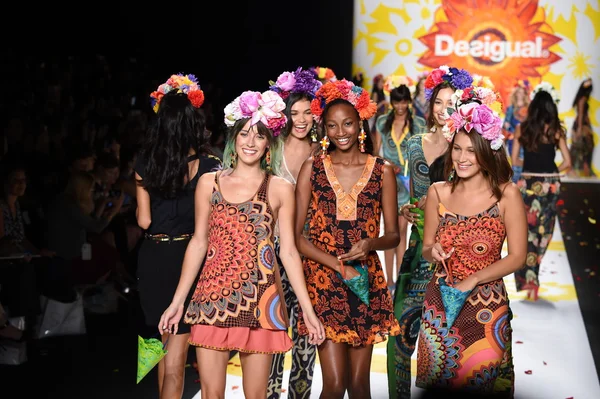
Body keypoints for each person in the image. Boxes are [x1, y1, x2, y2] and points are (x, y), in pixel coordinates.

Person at [158, 89, 325, 399]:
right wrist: (178, 302)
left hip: (262, 300)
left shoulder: (279, 188)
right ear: (233, 138)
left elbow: (288, 251)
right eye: (244, 134)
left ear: (268, 144)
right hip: (212, 298)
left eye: (259, 136)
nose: (250, 141)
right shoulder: (210, 181)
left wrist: (307, 309)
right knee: (212, 395)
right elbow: (198, 243)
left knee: (256, 396)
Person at [416, 92, 527, 396]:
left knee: (484, 384)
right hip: (440, 307)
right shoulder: (438, 192)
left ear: (487, 152)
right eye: (457, 149)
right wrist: (432, 251)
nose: (462, 158)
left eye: (471, 151)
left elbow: (518, 257)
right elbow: (427, 246)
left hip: (487, 310)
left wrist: (475, 278)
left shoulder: (507, 195)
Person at [295, 79, 400, 398]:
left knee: (358, 386)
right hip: (323, 283)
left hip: (364, 282)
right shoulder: (311, 169)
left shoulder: (383, 171)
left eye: (348, 123)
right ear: (324, 129)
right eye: (332, 125)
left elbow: (393, 235)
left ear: (360, 126)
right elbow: (297, 237)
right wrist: (337, 266)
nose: (341, 131)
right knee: (335, 384)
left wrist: (370, 244)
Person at [387, 66, 473, 399]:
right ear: (430, 105)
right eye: (439, 102)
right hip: (420, 248)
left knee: (451, 343)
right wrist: (409, 209)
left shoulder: (469, 148)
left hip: (458, 255)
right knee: (400, 336)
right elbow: (416, 196)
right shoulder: (413, 145)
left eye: (452, 103)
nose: (444, 109)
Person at [134, 73, 221, 399]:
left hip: (153, 257)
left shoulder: (144, 161)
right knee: (176, 359)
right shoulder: (209, 165)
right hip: (189, 258)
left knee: (159, 349)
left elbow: (143, 221)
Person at [266, 66, 322, 399]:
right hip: (273, 250)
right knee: (274, 329)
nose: (300, 119)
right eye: (293, 113)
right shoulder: (269, 149)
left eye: (306, 113)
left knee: (307, 332)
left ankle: (299, 395)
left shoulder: (323, 152)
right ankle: (271, 394)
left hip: (311, 250)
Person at [511, 83, 571, 301]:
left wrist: (529, 167)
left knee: (526, 233)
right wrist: (552, 174)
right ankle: (533, 277)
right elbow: (568, 162)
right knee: (544, 233)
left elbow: (515, 159)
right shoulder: (555, 131)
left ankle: (529, 281)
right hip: (549, 186)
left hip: (527, 185)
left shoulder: (522, 128)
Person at [373, 75, 427, 293]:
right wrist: (386, 165)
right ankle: (388, 280)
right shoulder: (382, 122)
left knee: (403, 232)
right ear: (392, 101)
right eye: (397, 101)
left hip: (409, 182)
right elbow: (376, 153)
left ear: (409, 101)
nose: (401, 106)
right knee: (389, 231)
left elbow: (423, 153)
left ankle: (399, 277)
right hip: (388, 181)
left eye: (404, 101)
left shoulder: (419, 124)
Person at [503, 80, 530, 182]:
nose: (520, 95)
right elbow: (505, 126)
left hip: (527, 142)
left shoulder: (530, 109)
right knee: (515, 164)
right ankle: (516, 186)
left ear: (525, 94)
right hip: (513, 142)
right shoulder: (511, 109)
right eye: (518, 92)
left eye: (522, 92)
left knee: (527, 163)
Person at [569, 78, 595, 177]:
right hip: (582, 126)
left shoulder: (583, 98)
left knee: (583, 147)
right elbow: (580, 114)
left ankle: (584, 168)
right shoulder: (582, 99)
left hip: (583, 125)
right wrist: (579, 128)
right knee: (582, 147)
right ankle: (582, 169)